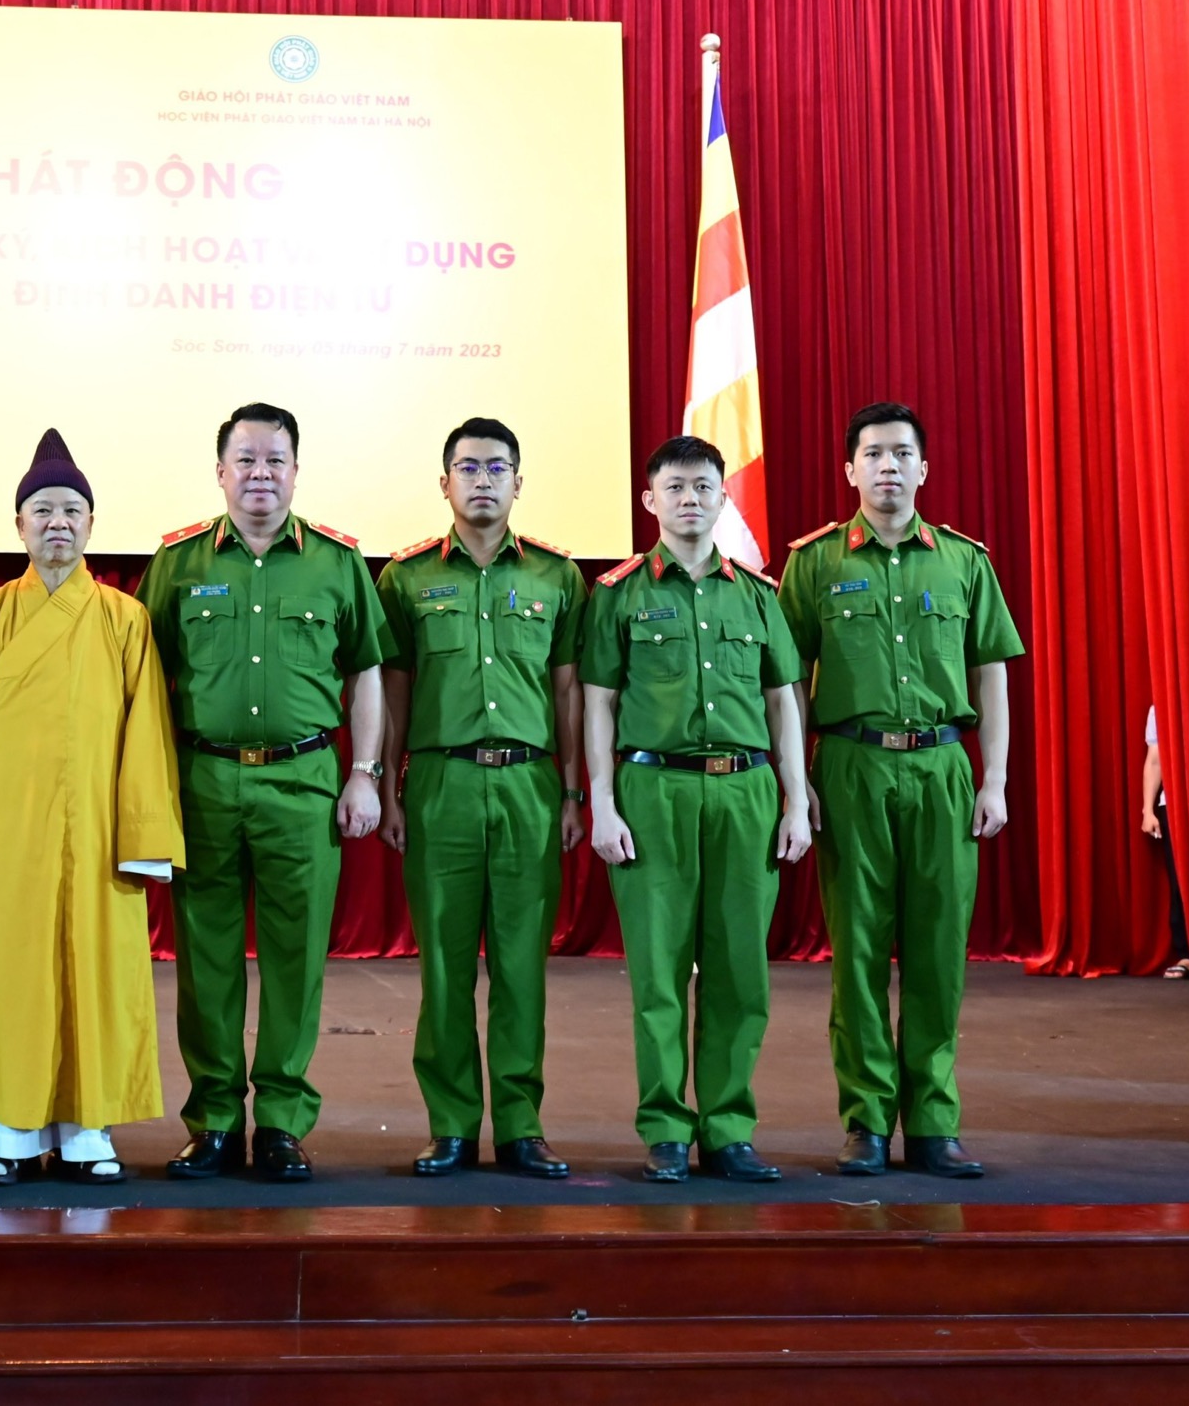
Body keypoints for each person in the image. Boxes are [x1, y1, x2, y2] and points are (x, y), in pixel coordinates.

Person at [135, 403, 391, 1184]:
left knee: (295, 957)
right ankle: (214, 1118)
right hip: (203, 781)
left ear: (296, 471)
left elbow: (367, 672)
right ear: (220, 472)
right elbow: (144, 677)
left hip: (303, 781)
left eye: (275, 459)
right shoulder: (178, 561)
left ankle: (280, 1119)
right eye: (244, 459)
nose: (260, 473)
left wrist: (365, 772)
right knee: (205, 957)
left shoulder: (336, 562)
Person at [0, 429, 184, 1184]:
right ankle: (12, 1129)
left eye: (71, 510)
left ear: (92, 524)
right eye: (42, 510)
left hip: (99, 832)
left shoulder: (125, 618)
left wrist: (143, 836)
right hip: (10, 832)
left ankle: (87, 1129)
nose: (57, 522)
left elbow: (146, 733)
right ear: (19, 525)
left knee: (95, 974)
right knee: (14, 975)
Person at [779, 402, 1023, 1178]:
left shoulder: (963, 561)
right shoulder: (814, 563)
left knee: (938, 950)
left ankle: (934, 1123)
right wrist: (797, 781)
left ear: (924, 467)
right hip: (851, 766)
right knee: (855, 951)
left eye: (902, 453)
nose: (888, 466)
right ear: (850, 468)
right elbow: (786, 683)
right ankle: (865, 1120)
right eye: (874, 453)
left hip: (942, 767)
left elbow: (991, 672)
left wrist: (995, 779)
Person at [581, 435, 812, 1185]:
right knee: (658, 973)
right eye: (675, 487)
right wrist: (602, 802)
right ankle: (665, 1130)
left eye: (704, 486)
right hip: (654, 792)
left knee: (740, 971)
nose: (690, 498)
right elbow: (598, 702)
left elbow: (783, 702)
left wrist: (795, 797)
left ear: (722, 497)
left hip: (745, 792)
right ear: (650, 499)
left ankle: (728, 1129)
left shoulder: (758, 594)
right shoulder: (617, 594)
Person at [376, 417, 587, 1180]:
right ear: (445, 484)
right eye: (468, 468)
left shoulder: (557, 577)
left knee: (522, 965)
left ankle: (522, 1125)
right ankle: (453, 1125)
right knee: (444, 965)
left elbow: (568, 690)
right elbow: (393, 690)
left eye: (497, 467)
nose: (483, 480)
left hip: (530, 783)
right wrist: (387, 786)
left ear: (518, 482)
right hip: (443, 783)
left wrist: (573, 790)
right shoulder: (404, 578)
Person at [1142, 705, 1189, 978]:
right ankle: (1187, 953)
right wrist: (1148, 810)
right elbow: (1155, 758)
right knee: (1180, 880)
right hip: (1173, 804)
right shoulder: (1161, 706)